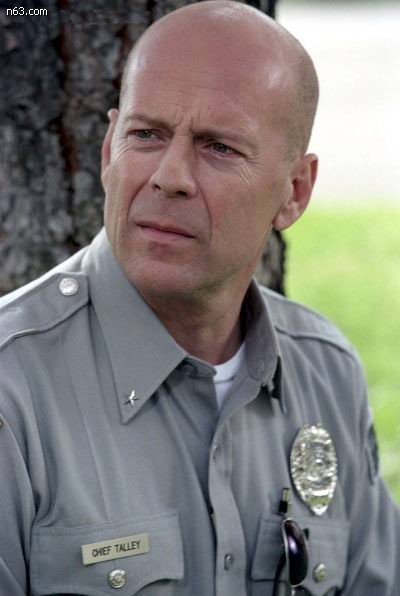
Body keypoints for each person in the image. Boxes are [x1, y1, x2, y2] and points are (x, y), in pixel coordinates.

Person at [0, 1, 399, 594]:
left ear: (294, 191)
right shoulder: (13, 392)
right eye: (146, 134)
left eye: (218, 148)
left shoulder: (326, 373)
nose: (170, 176)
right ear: (109, 150)